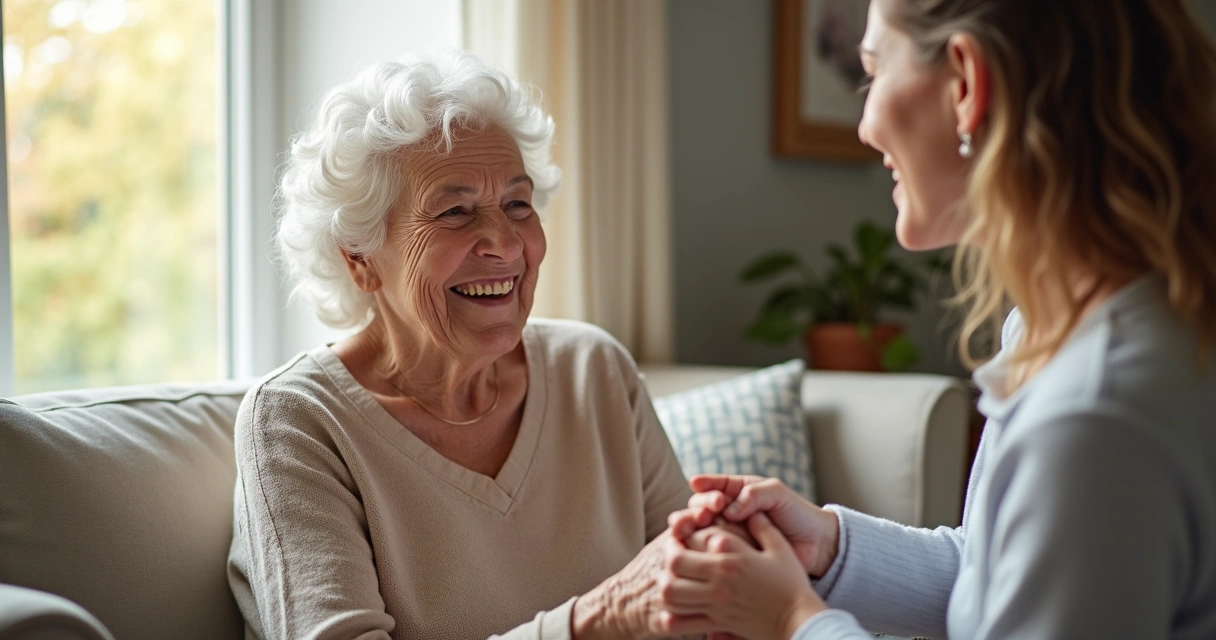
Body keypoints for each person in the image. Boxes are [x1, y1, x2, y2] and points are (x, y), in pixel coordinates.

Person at [657, 0, 1216, 638]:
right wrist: (831, 550)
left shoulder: (1094, 413)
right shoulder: (1061, 332)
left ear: (966, 84)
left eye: (873, 72)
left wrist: (790, 619)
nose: (864, 126)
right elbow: (995, 577)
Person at [226, 51, 702, 639]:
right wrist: (593, 622)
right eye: (455, 212)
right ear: (360, 259)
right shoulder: (298, 421)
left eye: (517, 204)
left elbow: (704, 598)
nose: (503, 242)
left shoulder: (594, 370)